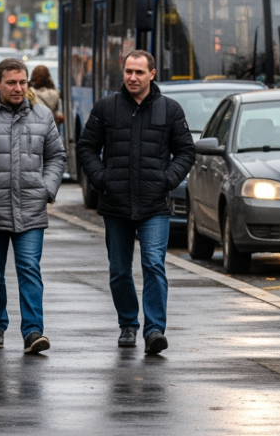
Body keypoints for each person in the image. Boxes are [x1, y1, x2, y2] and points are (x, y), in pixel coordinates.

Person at [77, 51, 195, 355]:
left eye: (139, 72)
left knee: (153, 264)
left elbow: (186, 152)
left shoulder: (169, 110)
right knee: (119, 269)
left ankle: (155, 330)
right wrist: (102, 179)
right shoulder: (106, 108)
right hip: (115, 203)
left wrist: (167, 179)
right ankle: (128, 324)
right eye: (128, 71)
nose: (132, 77)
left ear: (152, 74)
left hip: (154, 203)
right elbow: (87, 147)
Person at [0, 58, 66, 354]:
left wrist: (47, 189)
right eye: (12, 83)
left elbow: (57, 156)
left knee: (29, 268)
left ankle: (33, 331)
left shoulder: (42, 115)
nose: (18, 88)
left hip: (31, 208)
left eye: (22, 82)